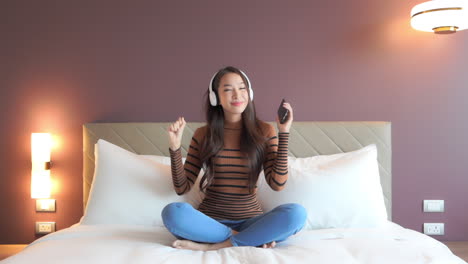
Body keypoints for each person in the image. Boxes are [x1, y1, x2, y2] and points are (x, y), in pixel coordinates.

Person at [162, 66, 306, 251]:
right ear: (216, 98)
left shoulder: (265, 131)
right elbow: (182, 188)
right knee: (173, 213)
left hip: (251, 222)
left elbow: (278, 184)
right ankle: (246, 239)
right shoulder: (203, 134)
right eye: (228, 90)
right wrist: (175, 148)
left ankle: (212, 246)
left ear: (250, 93)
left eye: (242, 88)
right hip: (210, 223)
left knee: (296, 214)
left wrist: (284, 133)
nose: (237, 95)